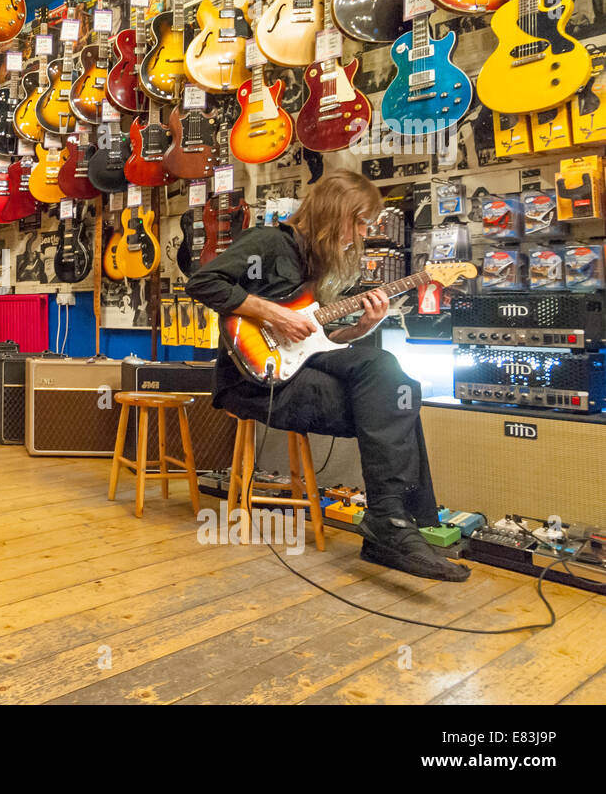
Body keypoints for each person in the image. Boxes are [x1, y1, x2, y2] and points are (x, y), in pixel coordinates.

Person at [186, 169, 468, 583]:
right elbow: (203, 282)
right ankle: (392, 529)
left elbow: (320, 338)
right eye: (357, 222)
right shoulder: (267, 242)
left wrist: (361, 329)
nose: (358, 234)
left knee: (396, 381)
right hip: (255, 379)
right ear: (335, 212)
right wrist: (271, 312)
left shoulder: (316, 266)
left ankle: (390, 523)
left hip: (304, 363)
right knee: (390, 408)